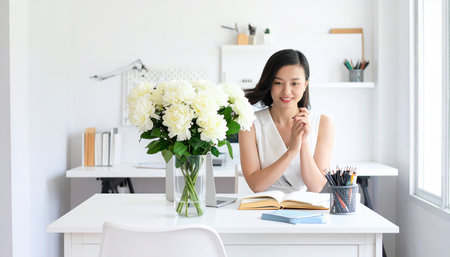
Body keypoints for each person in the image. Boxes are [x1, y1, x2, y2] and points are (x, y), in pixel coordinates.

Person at [238, 49, 334, 193]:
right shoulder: (250, 123)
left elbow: (316, 186)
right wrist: (292, 150)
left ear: (305, 84)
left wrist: (303, 142)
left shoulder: (323, 123)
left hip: (303, 208)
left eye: (295, 83)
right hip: (262, 207)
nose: (286, 91)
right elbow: (255, 185)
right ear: (269, 83)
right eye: (278, 83)